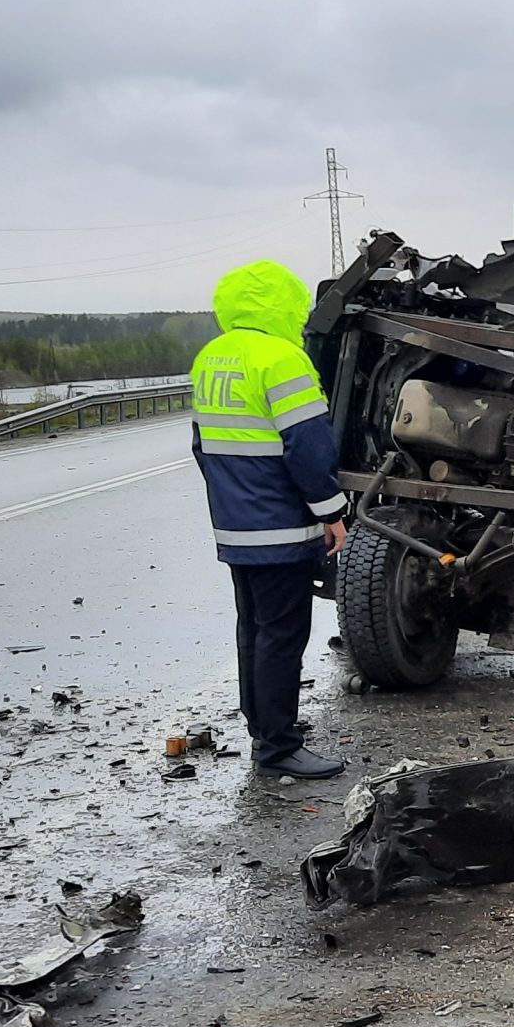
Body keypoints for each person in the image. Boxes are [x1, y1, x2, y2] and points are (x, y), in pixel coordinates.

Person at [190, 259, 350, 780]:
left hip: (235, 524)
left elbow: (202, 446)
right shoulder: (284, 360)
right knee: (283, 634)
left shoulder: (210, 358)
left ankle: (263, 726)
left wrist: (232, 502)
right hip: (281, 525)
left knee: (253, 629)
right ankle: (278, 746)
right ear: (284, 304)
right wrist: (333, 512)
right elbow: (308, 449)